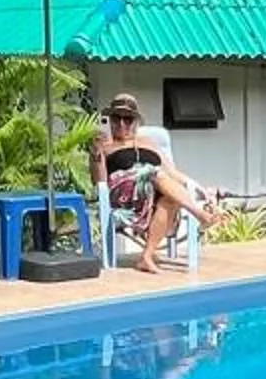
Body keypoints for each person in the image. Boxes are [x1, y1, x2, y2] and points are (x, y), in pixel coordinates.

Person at [90, 94, 221, 272]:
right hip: (123, 194)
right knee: (153, 172)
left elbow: (172, 172)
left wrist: (200, 189)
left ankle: (146, 256)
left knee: (170, 199)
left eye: (127, 119)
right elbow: (99, 182)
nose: (121, 124)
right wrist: (96, 153)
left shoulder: (148, 143)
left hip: (155, 189)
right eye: (116, 118)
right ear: (110, 120)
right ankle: (199, 214)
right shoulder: (105, 147)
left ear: (135, 122)